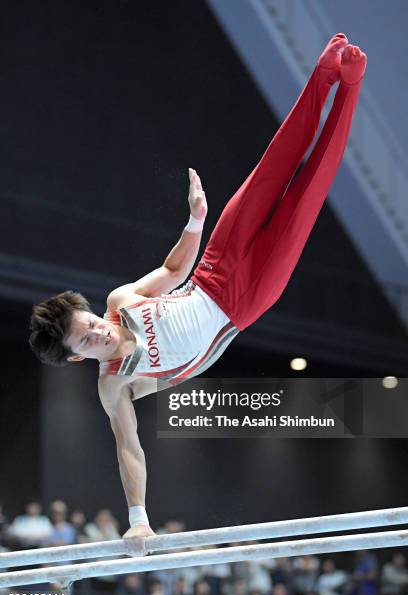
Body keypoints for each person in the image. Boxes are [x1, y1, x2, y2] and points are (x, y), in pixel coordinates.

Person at [29, 35, 366, 541]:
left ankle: (325, 72)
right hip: (245, 301)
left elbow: (171, 271)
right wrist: (138, 521)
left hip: (214, 263)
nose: (98, 331)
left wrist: (195, 220)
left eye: (90, 322)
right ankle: (351, 89)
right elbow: (129, 448)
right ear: (76, 356)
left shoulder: (121, 303)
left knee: (274, 167)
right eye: (86, 339)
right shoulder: (115, 384)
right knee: (309, 188)